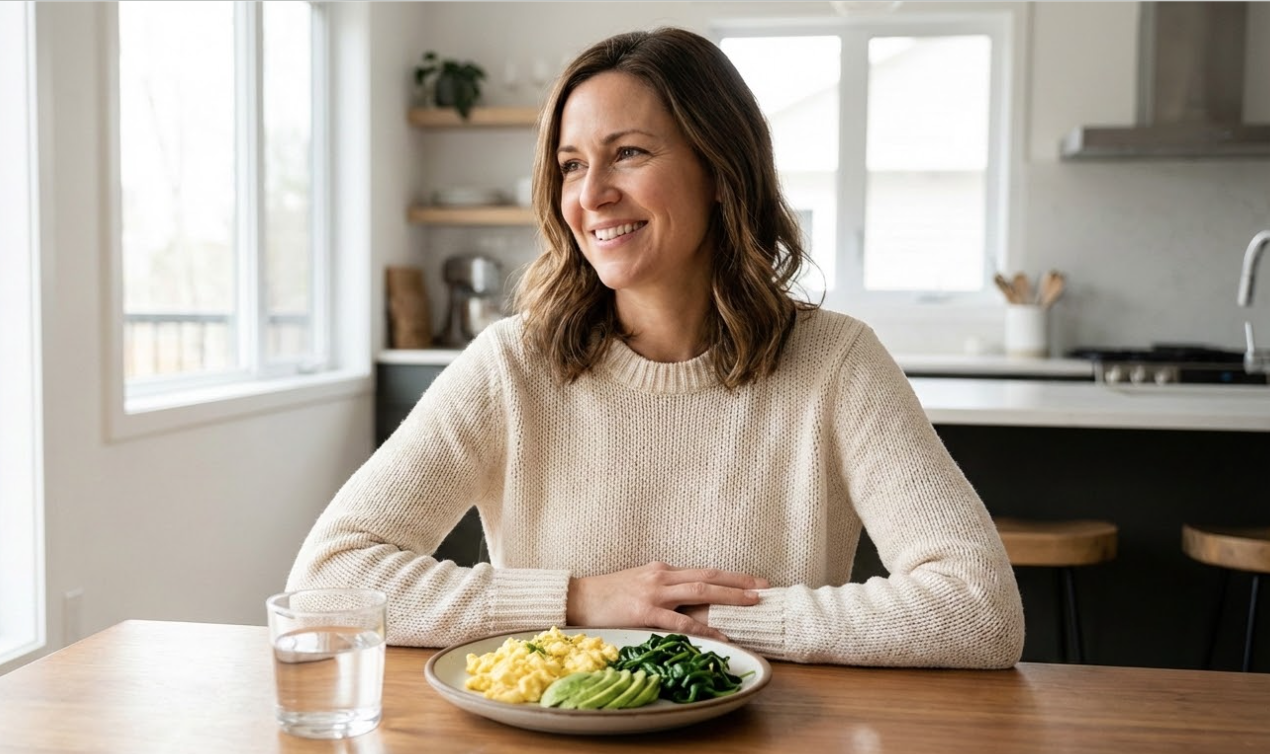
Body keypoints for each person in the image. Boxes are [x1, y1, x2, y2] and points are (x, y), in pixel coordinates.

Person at [287, 27, 1024, 668]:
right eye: (572, 165)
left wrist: (711, 621)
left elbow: (979, 610)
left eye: (628, 152)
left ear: (718, 172)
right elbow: (327, 581)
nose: (592, 194)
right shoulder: (511, 365)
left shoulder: (836, 363)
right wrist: (576, 600)